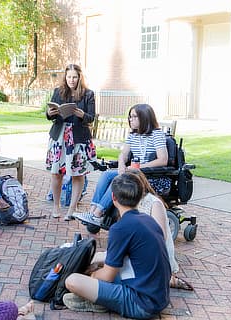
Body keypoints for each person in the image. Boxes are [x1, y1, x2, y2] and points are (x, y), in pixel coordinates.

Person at [64, 173, 171, 319]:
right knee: (97, 269)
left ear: (113, 198)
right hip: (159, 298)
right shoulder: (148, 220)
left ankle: (99, 302)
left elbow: (107, 276)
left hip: (141, 304)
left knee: (72, 280)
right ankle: (101, 297)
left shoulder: (120, 228)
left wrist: (91, 276)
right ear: (140, 196)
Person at [76, 103, 169, 226]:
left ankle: (98, 214)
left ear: (144, 117)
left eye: (134, 117)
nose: (130, 119)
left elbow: (163, 160)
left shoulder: (156, 135)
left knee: (118, 179)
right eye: (130, 116)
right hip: (133, 172)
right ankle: (92, 211)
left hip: (151, 175)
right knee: (107, 174)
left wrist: (137, 168)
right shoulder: (133, 135)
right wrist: (121, 164)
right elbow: (123, 154)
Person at [45, 63, 97, 221]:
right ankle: (56, 206)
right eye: (69, 77)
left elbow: (91, 117)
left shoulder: (88, 94)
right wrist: (49, 113)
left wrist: (82, 115)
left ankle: (72, 209)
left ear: (80, 77)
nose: (72, 80)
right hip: (59, 136)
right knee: (56, 173)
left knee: (77, 174)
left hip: (78, 138)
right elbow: (51, 116)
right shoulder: (58, 92)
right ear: (65, 77)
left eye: (75, 77)